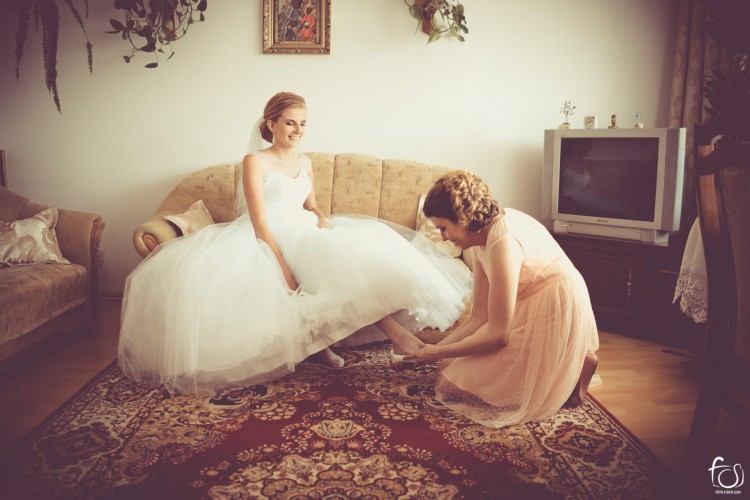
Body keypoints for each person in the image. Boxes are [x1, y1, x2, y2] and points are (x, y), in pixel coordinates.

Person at [118, 91, 471, 397]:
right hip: (265, 237)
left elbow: (310, 204)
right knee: (314, 269)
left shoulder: (305, 162)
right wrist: (281, 265)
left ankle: (362, 342)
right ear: (271, 124)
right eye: (290, 123)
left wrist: (322, 218)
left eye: (303, 124)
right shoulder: (255, 161)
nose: (297, 130)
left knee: (356, 259)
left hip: (304, 230)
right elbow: (259, 221)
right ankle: (360, 343)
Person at [407, 170, 599, 428]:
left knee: (459, 385)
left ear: (462, 218)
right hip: (530, 302)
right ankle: (569, 364)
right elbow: (479, 317)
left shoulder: (503, 241)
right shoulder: (480, 240)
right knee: (447, 367)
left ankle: (577, 363)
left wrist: (436, 352)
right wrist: (432, 353)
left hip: (556, 307)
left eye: (443, 228)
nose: (443, 237)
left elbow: (498, 335)